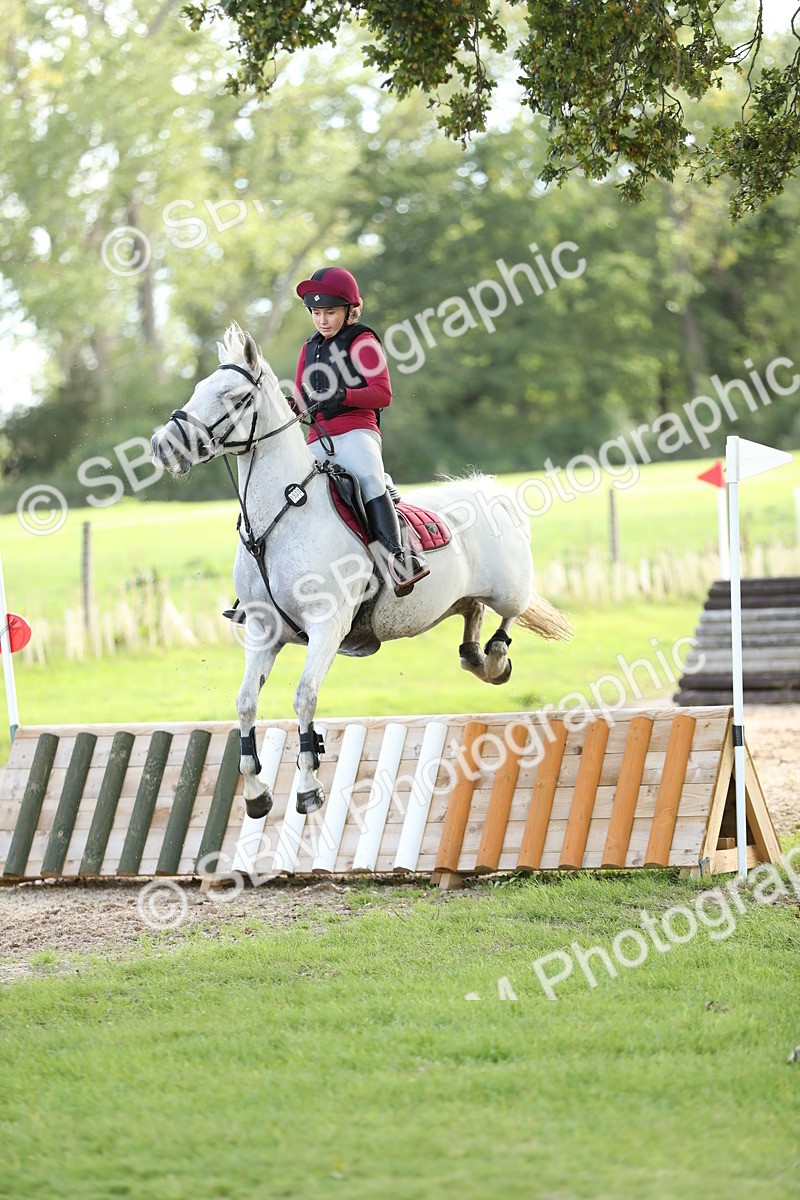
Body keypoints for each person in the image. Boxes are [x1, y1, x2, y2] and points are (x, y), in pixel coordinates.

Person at [293, 266, 429, 592]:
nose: (322, 320)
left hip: (356, 431)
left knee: (368, 477)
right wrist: (286, 406)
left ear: (349, 309)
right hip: (317, 438)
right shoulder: (308, 348)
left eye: (330, 312)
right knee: (292, 491)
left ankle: (397, 558)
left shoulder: (362, 340)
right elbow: (300, 399)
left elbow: (383, 394)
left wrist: (343, 394)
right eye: (316, 313)